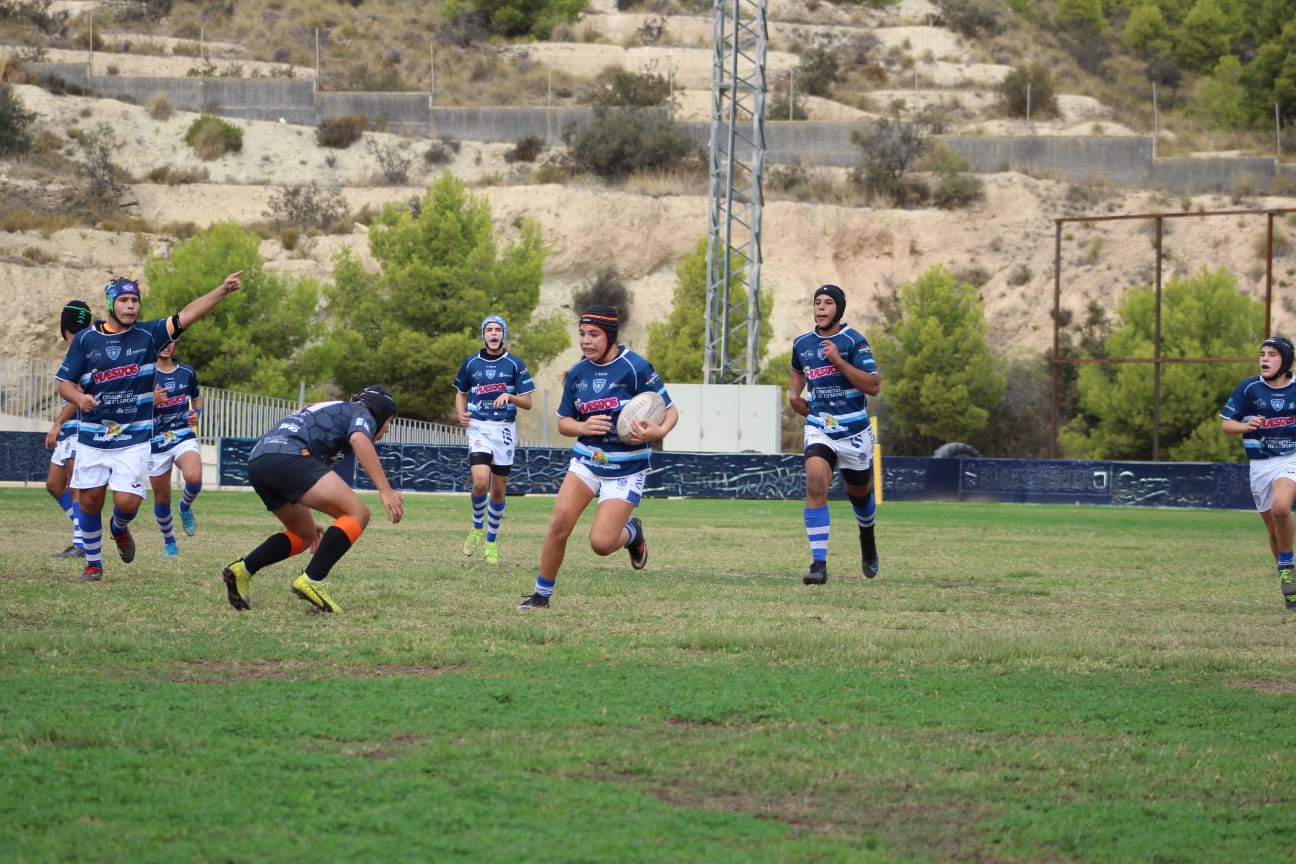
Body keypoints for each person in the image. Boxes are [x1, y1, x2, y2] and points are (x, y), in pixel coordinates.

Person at [56, 272, 242, 583]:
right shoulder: (87, 339)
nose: (130, 307)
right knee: (89, 500)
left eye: (135, 301)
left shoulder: (149, 335)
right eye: (124, 300)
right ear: (111, 304)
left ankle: (118, 527)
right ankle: (93, 564)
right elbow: (64, 382)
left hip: (133, 438)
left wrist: (222, 289)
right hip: (92, 437)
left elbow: (187, 315)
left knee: (127, 504)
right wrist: (79, 397)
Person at [519, 305, 678, 609]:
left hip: (627, 467)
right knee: (558, 525)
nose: (586, 341)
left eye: (593, 334)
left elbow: (671, 412)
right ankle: (541, 595)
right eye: (581, 334)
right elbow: (563, 423)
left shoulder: (636, 367)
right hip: (588, 460)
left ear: (610, 337)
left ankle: (632, 533)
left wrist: (656, 433)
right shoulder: (578, 372)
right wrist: (583, 425)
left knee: (602, 544)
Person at [222, 386, 405, 614]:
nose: (387, 430)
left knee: (304, 533)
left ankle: (242, 570)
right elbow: (359, 439)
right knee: (358, 513)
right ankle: (312, 580)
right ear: (379, 413)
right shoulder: (362, 414)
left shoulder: (328, 409)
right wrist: (384, 489)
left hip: (259, 460)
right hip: (289, 455)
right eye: (389, 422)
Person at [788, 283, 881, 586]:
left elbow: (873, 386)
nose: (821, 307)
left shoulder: (854, 341)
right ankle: (818, 564)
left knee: (860, 495)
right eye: (817, 302)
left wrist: (839, 361)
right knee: (816, 482)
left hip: (854, 431)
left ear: (838, 309)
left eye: (828, 303)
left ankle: (867, 536)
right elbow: (797, 376)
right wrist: (793, 396)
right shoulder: (802, 343)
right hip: (821, 428)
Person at [1220, 335, 1296, 610]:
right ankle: (1289, 584)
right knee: (1274, 530)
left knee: (1281, 508)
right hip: (1260, 465)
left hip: (1290, 459)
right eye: (1262, 353)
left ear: (1285, 361)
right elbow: (1227, 424)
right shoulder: (1249, 388)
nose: (1265, 358)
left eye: (1273, 354)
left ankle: (1287, 565)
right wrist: (1246, 426)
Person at [453, 314, 535, 565]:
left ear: (504, 334)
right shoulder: (471, 363)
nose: (493, 333)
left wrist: (510, 397)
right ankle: (477, 527)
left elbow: (528, 402)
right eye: (488, 329)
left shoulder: (514, 364)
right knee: (480, 482)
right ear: (483, 334)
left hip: (504, 430)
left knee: (498, 489)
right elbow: (460, 393)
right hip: (479, 428)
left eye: (497, 329)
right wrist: (461, 414)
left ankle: (491, 539)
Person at [45, 301, 95, 559]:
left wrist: (57, 422)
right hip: (70, 426)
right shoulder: (76, 350)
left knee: (76, 485)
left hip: (82, 426)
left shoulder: (86, 350)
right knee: (54, 485)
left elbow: (80, 395)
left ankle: (81, 542)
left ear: (64, 326)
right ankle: (83, 533)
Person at [147, 340, 205, 558]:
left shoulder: (187, 372)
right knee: (162, 498)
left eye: (172, 342)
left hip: (182, 435)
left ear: (176, 346)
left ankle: (185, 506)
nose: (167, 346)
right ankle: (169, 540)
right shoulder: (146, 373)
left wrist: (196, 414)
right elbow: (131, 408)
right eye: (163, 342)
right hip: (155, 442)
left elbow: (197, 397)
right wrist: (151, 401)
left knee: (194, 477)